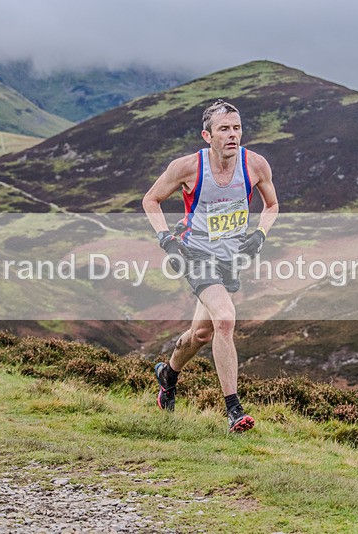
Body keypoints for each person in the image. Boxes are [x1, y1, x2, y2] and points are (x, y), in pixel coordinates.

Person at [142, 99, 279, 432]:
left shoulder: (255, 164)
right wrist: (166, 240)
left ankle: (168, 373)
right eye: (224, 129)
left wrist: (259, 235)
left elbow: (272, 205)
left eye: (237, 128)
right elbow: (150, 200)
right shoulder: (187, 167)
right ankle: (234, 410)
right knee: (226, 319)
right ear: (207, 135)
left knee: (202, 333)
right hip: (196, 255)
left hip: (229, 258)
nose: (232, 135)